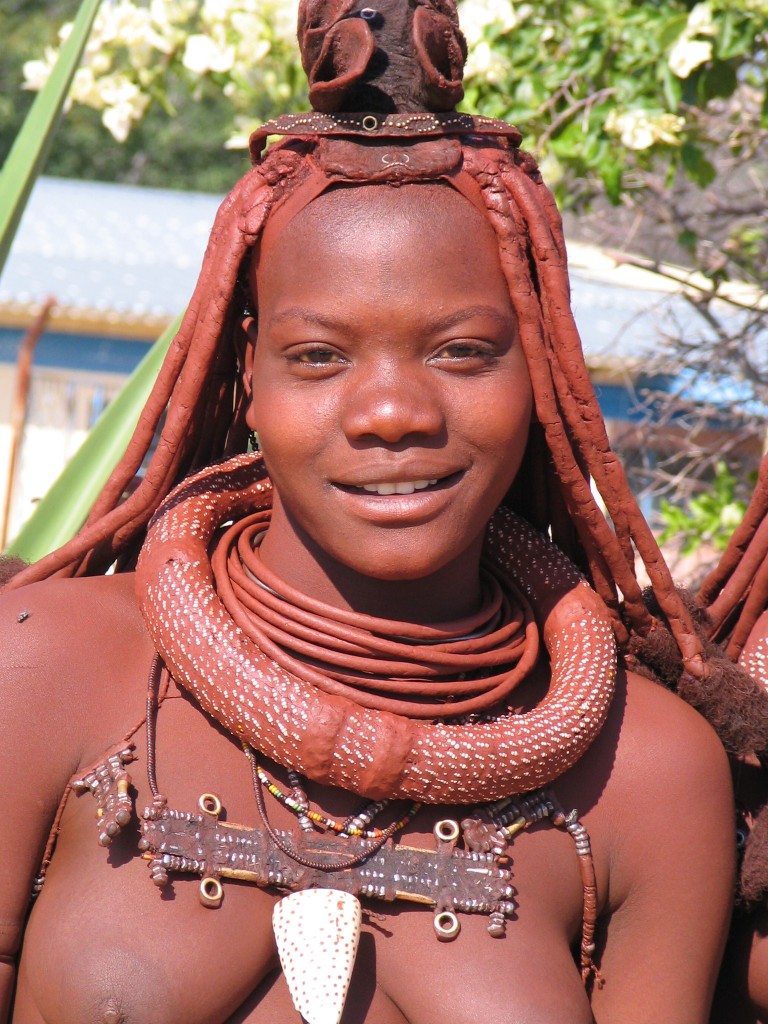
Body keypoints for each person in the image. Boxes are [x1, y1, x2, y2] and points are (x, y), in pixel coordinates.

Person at [0, 2, 735, 1021]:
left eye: (463, 352)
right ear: (244, 369)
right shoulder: (45, 672)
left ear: (547, 372)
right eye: (318, 357)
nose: (392, 413)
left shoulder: (647, 773)